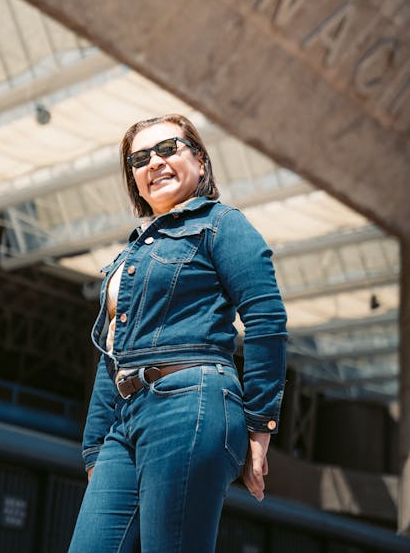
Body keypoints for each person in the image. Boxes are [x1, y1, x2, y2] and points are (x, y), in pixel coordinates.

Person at [68, 113, 287, 553]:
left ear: (201, 162)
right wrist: (95, 448)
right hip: (125, 419)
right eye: (141, 158)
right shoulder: (132, 251)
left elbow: (266, 318)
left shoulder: (221, 225)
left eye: (169, 149)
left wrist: (260, 425)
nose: (155, 162)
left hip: (191, 402)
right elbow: (112, 351)